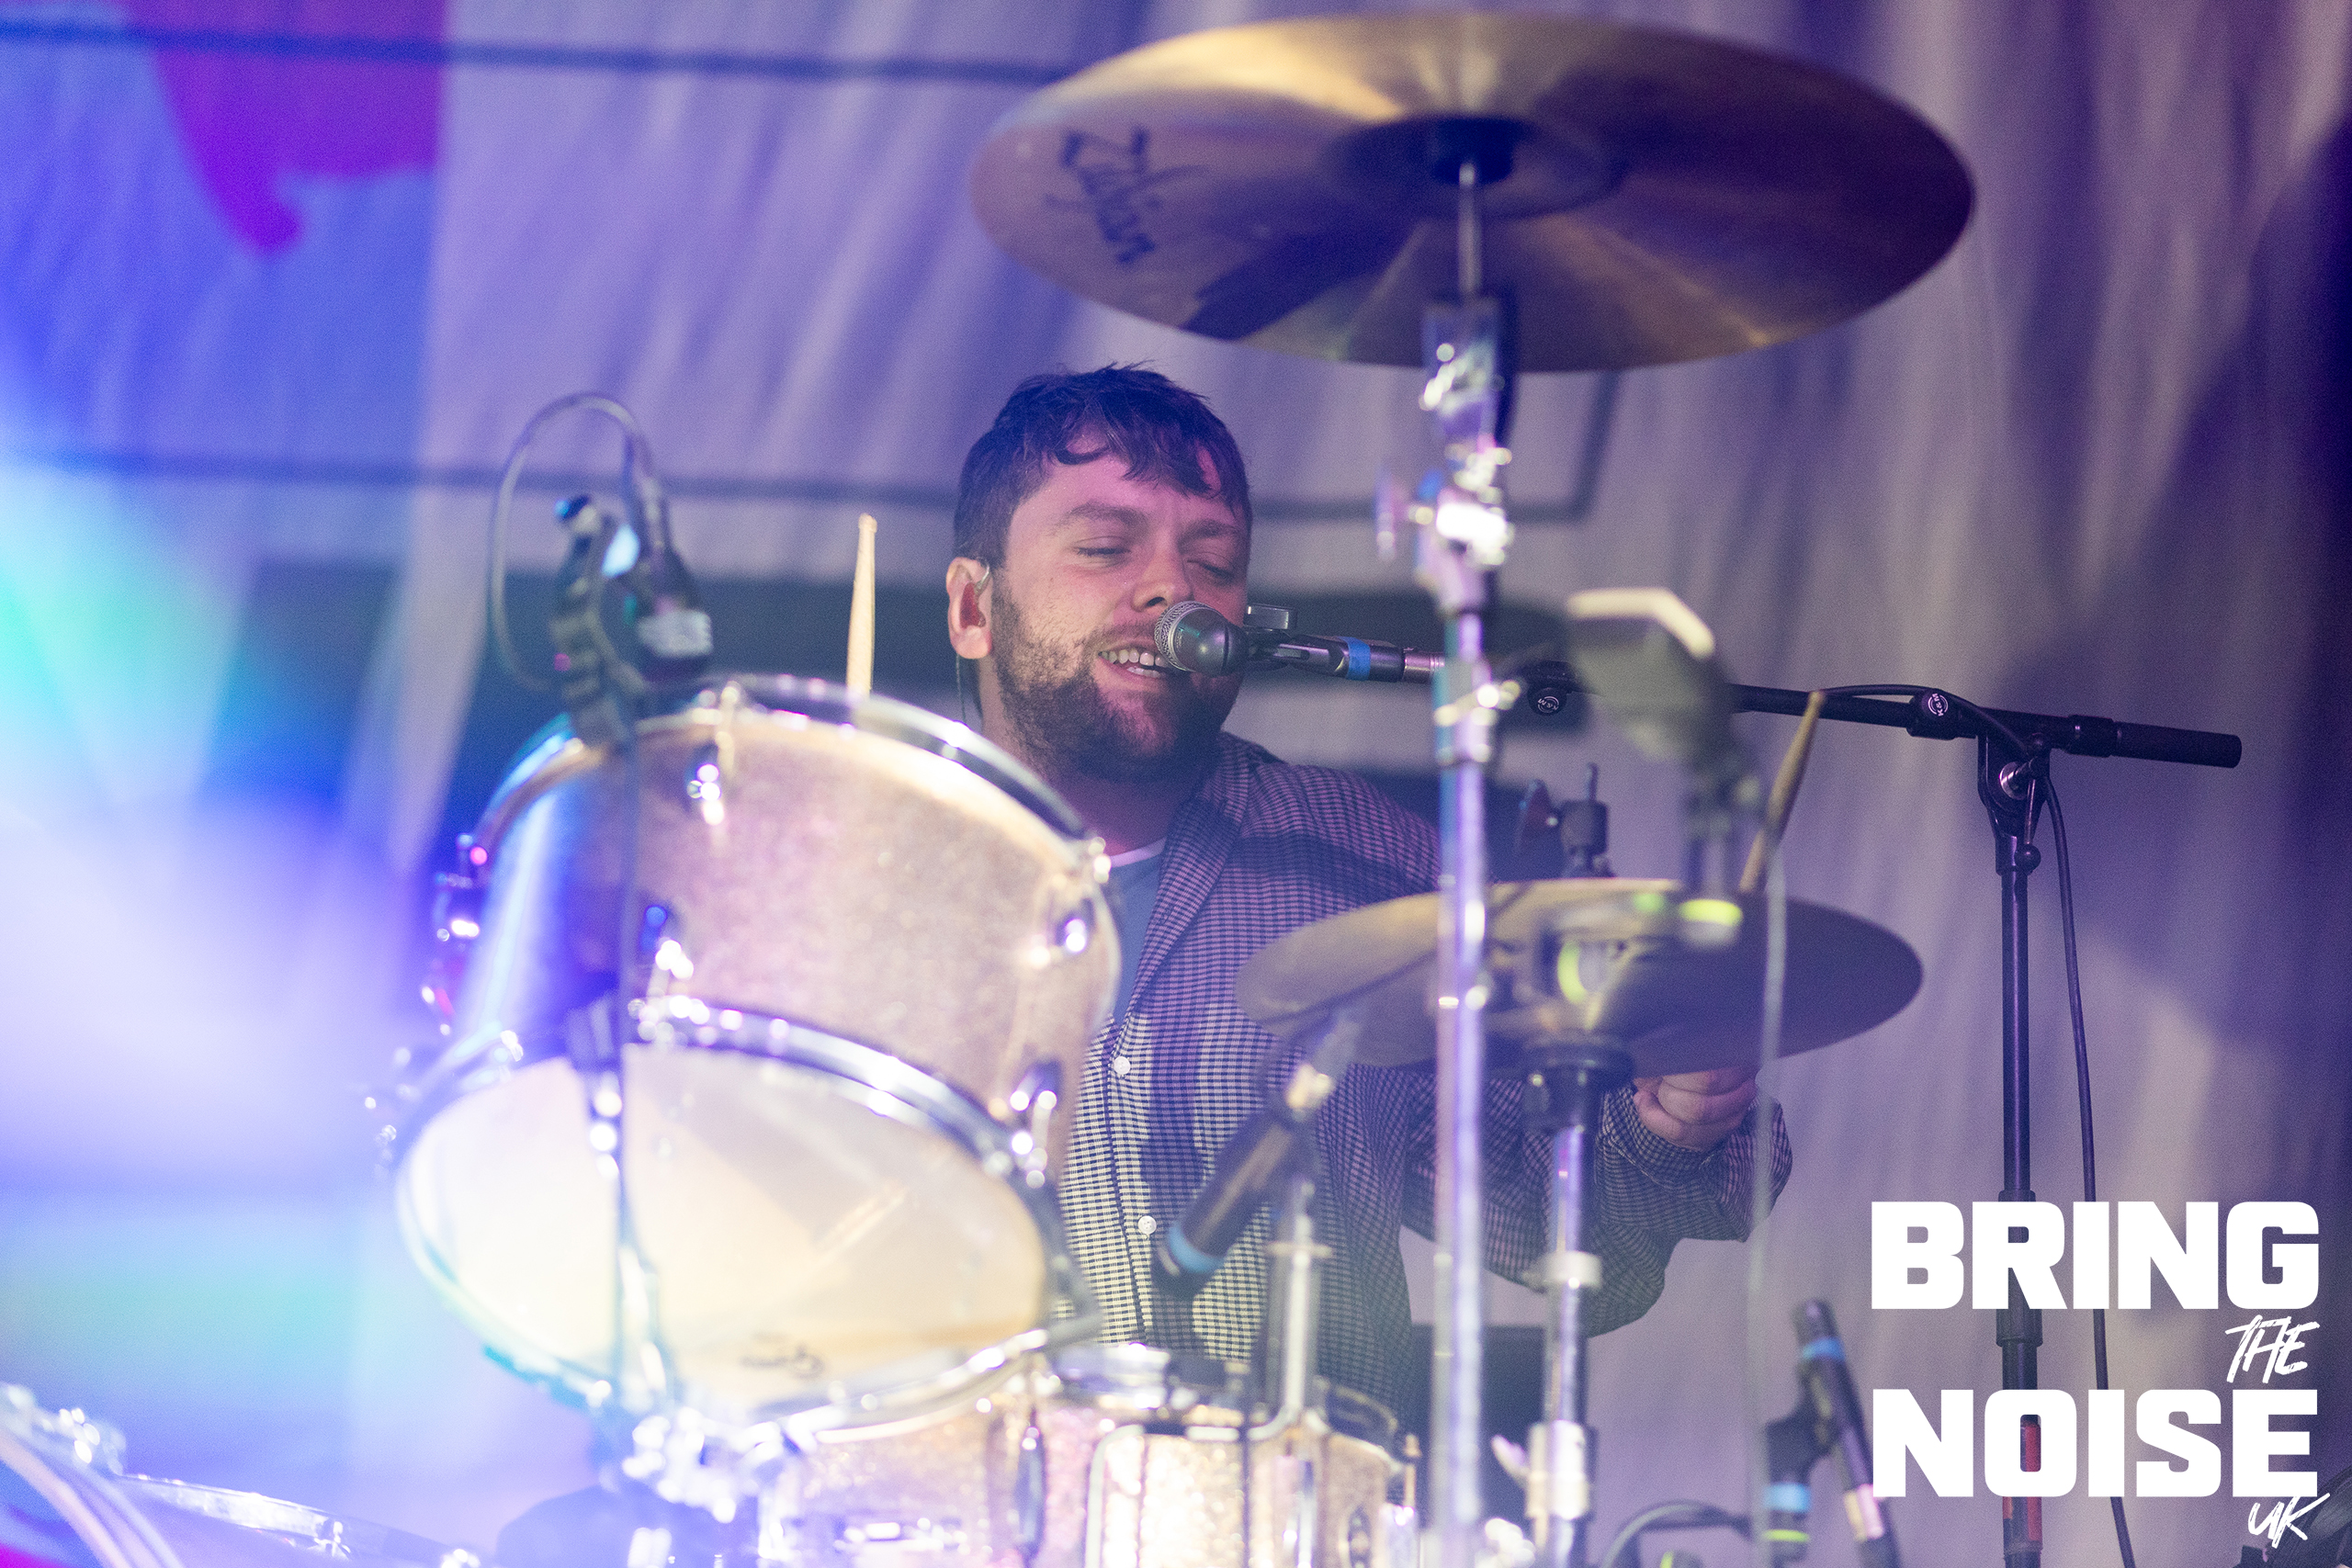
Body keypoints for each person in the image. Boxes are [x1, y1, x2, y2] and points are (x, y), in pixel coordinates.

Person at [943, 365, 1788, 1413]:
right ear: (975, 607)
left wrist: (1662, 1128)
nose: (1173, 589)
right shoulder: (867, 877)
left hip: (1290, 1494)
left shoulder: (1362, 870)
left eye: (1214, 561)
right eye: (1106, 548)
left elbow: (1574, 1248)